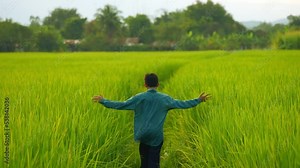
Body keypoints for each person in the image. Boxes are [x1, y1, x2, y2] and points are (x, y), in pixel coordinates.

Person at [92, 73, 210, 168]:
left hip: (142, 134)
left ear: (145, 85)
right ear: (158, 84)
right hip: (156, 136)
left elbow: (121, 105)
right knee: (153, 163)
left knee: (144, 162)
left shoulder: (138, 98)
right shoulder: (165, 99)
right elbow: (183, 104)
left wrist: (104, 101)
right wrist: (198, 100)